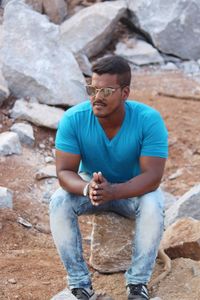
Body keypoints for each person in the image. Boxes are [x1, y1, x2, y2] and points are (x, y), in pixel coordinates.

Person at [49, 55, 168, 300]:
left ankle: (137, 284)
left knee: (153, 204)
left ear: (125, 93)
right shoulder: (74, 119)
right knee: (59, 201)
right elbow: (64, 172)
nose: (97, 96)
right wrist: (87, 188)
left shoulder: (148, 120)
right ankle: (79, 284)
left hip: (133, 192)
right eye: (92, 88)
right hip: (93, 190)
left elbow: (153, 177)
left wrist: (114, 191)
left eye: (106, 90)